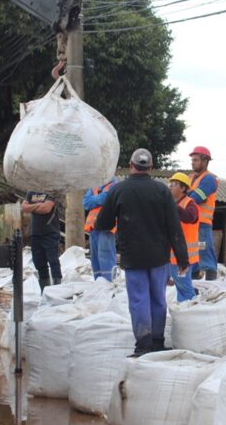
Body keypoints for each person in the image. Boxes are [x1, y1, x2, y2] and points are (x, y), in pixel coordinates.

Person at [95, 148, 189, 357]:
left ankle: (143, 344)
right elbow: (175, 226)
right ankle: (157, 342)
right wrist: (182, 257)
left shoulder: (119, 190)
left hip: (133, 256)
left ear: (131, 165)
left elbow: (103, 223)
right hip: (159, 258)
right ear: (151, 167)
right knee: (158, 299)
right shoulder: (162, 190)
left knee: (138, 300)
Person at [188, 146, 219, 280]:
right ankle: (195, 287)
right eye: (192, 160)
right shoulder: (190, 178)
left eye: (195, 160)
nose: (192, 162)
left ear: (205, 161)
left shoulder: (209, 179)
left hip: (202, 224)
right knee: (193, 256)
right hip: (191, 225)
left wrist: (187, 194)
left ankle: (211, 285)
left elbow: (196, 198)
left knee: (205, 255)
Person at [168, 172, 200, 302]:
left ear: (183, 188)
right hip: (175, 256)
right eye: (170, 184)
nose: (170, 186)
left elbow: (190, 217)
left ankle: (190, 311)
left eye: (174, 184)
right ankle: (184, 309)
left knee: (184, 287)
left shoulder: (189, 203)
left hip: (183, 257)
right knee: (181, 287)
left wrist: (174, 207)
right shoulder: (174, 204)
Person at [22, 191, 62, 291]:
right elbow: (23, 208)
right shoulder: (31, 193)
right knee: (39, 263)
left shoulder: (52, 191)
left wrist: (32, 207)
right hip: (35, 234)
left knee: (53, 261)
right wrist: (39, 205)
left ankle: (57, 290)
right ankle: (45, 291)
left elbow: (46, 209)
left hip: (50, 232)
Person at [83, 178, 118, 281]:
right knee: (95, 258)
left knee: (105, 255)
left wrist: (95, 198)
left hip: (106, 227)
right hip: (93, 227)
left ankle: (109, 283)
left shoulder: (114, 184)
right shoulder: (94, 184)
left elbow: (108, 198)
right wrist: (100, 198)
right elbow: (86, 203)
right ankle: (98, 282)